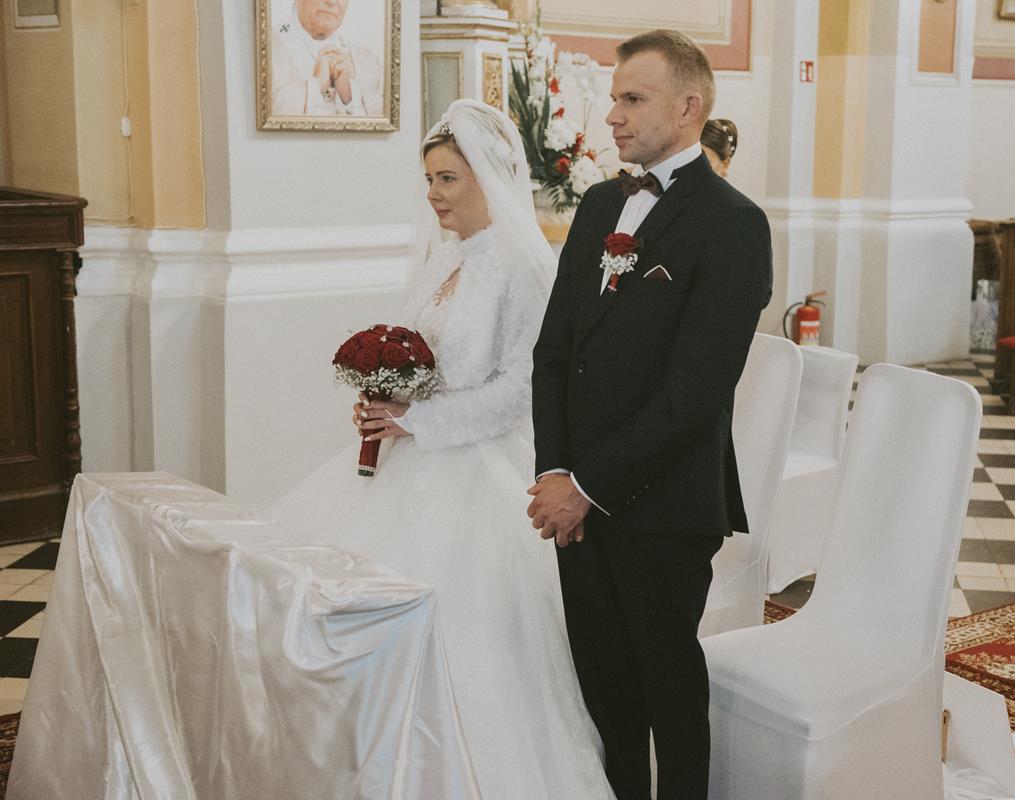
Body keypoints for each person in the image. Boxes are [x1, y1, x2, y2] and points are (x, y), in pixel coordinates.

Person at [269, 100, 614, 799]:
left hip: (481, 467)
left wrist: (419, 421)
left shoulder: (522, 267)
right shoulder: (442, 259)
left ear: (488, 176)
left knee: (462, 637)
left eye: (448, 178)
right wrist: (383, 399)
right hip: (409, 457)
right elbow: (415, 354)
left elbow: (521, 388)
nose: (432, 193)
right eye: (428, 178)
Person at [527, 29, 772, 800]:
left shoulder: (732, 223)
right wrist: (555, 471)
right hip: (576, 502)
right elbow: (553, 354)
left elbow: (693, 395)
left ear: (689, 106)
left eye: (633, 99)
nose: (612, 116)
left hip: (662, 504)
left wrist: (587, 486)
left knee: (668, 689)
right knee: (603, 691)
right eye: (614, 98)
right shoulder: (602, 203)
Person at [271, 0, 383, 117]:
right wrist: (314, 88)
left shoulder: (368, 62)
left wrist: (349, 98)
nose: (331, 2)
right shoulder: (266, 52)